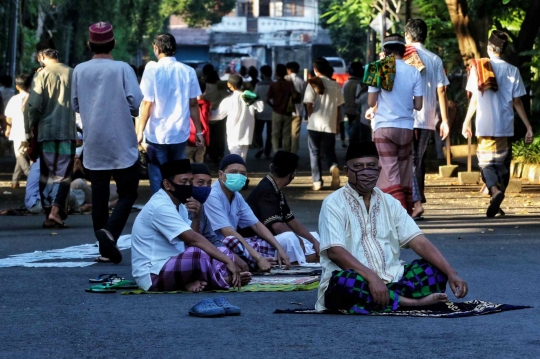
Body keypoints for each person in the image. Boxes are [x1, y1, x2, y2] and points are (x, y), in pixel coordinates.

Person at [316, 141, 468, 313]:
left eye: (371, 166)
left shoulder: (389, 202)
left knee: (434, 270)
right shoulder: (333, 203)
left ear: (379, 170)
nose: (366, 171)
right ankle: (411, 303)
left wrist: (451, 272)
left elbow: (417, 240)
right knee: (345, 283)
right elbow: (335, 251)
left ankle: (385, 298)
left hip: (393, 279)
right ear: (346, 171)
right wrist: (372, 278)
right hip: (356, 279)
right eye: (358, 166)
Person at [72, 22, 143, 263]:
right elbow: (135, 103)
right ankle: (110, 233)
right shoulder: (123, 69)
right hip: (122, 141)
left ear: (89, 45)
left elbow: (75, 105)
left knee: (99, 196)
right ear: (113, 44)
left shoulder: (79, 70)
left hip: (94, 143)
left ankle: (105, 249)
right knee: (128, 192)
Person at [131, 159, 247, 292]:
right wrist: (227, 261)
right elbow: (193, 240)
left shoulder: (179, 205)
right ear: (167, 184)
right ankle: (220, 280)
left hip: (174, 263)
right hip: (152, 273)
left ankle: (193, 281)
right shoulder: (160, 206)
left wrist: (196, 217)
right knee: (199, 253)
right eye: (184, 182)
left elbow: (190, 242)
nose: (188, 186)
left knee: (222, 250)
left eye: (190, 182)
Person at [462, 30, 534, 218]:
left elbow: (475, 100)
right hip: (504, 125)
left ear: (488, 47)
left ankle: (494, 191)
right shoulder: (512, 70)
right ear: (504, 50)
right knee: (502, 164)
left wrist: (466, 121)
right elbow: (517, 102)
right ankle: (497, 195)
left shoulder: (479, 68)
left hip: (484, 125)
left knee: (486, 164)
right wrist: (528, 126)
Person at [138, 33, 204, 194]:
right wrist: (199, 131)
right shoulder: (188, 71)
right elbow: (194, 103)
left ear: (156, 48)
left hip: (156, 134)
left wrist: (139, 132)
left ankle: (160, 210)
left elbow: (147, 103)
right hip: (180, 133)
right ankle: (177, 208)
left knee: (158, 175)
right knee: (178, 175)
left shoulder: (151, 69)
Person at [204, 154, 291, 271]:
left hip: (239, 247)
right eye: (233, 172)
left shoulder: (237, 196)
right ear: (221, 174)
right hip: (219, 246)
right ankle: (255, 262)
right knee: (232, 240)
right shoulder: (213, 195)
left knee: (286, 239)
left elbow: (256, 224)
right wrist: (259, 257)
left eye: (242, 174)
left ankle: (255, 262)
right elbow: (228, 232)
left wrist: (279, 248)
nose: (238, 176)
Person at [367, 34, 423, 214]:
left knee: (389, 171)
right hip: (406, 127)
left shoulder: (378, 68)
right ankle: (405, 208)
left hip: (384, 127)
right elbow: (419, 105)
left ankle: (397, 210)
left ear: (385, 50)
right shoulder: (414, 71)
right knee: (404, 169)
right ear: (404, 50)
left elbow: (371, 101)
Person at [24, 40, 77, 228]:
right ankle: (56, 211)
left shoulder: (41, 75)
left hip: (46, 132)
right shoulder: (73, 73)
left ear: (41, 57)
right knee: (63, 174)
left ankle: (50, 213)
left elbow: (33, 106)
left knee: (47, 173)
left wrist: (29, 130)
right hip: (67, 131)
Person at [405, 19, 451, 219]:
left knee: (411, 159)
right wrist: (445, 120)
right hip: (428, 117)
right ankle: (417, 199)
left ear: (408, 35)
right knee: (418, 159)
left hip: (406, 116)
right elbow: (442, 91)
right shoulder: (435, 59)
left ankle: (415, 202)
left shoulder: (402, 56)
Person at [244, 151, 321, 264]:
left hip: (270, 238)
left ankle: (313, 257)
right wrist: (298, 240)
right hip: (255, 240)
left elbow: (291, 220)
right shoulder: (267, 191)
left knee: (313, 236)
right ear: (292, 174)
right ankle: (308, 261)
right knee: (291, 238)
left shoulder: (274, 189)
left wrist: (313, 241)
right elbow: (277, 226)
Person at [304, 58, 344, 191]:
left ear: (315, 70)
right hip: (330, 123)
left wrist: (310, 115)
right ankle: (334, 167)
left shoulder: (312, 83)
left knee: (314, 153)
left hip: (314, 124)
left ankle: (317, 182)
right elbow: (339, 108)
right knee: (329, 151)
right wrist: (338, 124)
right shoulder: (335, 85)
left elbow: (308, 104)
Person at [210, 75, 264, 161]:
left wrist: (203, 114)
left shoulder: (228, 100)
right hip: (247, 134)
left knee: (235, 161)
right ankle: (242, 174)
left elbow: (218, 115)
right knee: (243, 159)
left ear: (230, 85)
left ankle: (237, 174)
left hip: (233, 135)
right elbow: (260, 107)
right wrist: (251, 94)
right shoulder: (247, 96)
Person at [4, 74, 32, 188]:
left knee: (19, 155)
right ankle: (14, 181)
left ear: (17, 86)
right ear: (30, 85)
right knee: (22, 154)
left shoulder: (14, 99)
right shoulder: (33, 98)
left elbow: (8, 117)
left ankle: (30, 175)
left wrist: (8, 128)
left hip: (17, 131)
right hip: (30, 132)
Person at [202, 65, 229, 165]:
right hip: (220, 116)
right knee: (219, 136)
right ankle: (218, 155)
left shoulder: (204, 86)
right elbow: (227, 96)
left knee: (208, 137)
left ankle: (207, 153)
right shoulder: (221, 87)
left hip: (206, 116)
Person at [267, 64, 296, 153]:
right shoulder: (289, 84)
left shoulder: (273, 85)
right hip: (287, 112)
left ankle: (276, 152)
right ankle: (286, 153)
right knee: (286, 135)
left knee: (275, 134)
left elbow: (267, 99)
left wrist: (273, 106)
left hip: (276, 112)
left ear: (276, 73)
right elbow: (295, 96)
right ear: (285, 73)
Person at [343, 62, 371, 143]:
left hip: (348, 111)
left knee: (352, 135)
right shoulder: (360, 85)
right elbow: (358, 100)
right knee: (359, 137)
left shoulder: (346, 84)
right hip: (357, 114)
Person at [186, 82, 211, 163]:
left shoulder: (186, 104)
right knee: (199, 158)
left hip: (190, 137)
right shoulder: (207, 104)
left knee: (188, 157)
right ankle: (199, 174)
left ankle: (191, 174)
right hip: (203, 137)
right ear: (205, 91)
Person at [254, 65, 273, 159]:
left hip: (260, 112)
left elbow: (254, 98)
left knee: (258, 131)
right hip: (272, 112)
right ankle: (267, 152)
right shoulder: (273, 84)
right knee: (270, 133)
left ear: (262, 74)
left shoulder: (259, 85)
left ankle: (260, 146)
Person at [286, 62, 306, 154]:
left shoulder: (285, 80)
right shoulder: (302, 82)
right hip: (298, 111)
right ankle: (293, 154)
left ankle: (285, 152)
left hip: (285, 111)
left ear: (289, 70)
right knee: (295, 135)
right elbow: (306, 98)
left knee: (286, 134)